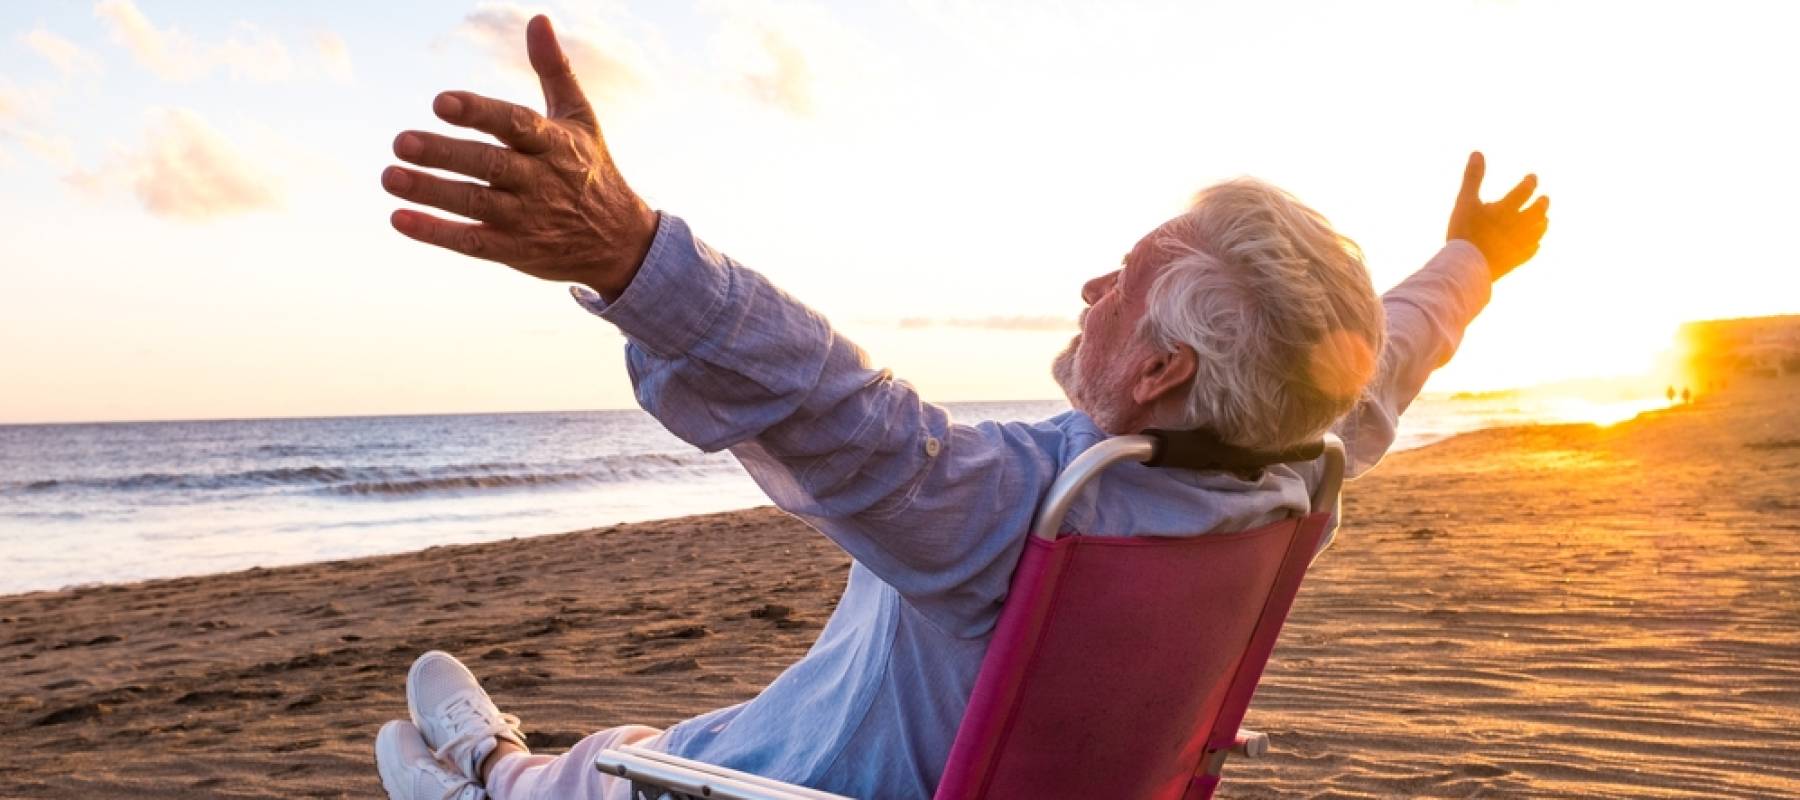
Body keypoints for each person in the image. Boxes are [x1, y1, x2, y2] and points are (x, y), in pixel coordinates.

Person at [371, 15, 1550, 800]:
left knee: (638, 766)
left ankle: (485, 772)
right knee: (680, 735)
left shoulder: (1034, 515)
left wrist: (632, 255)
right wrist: (1472, 258)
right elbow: (1390, 348)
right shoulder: (1298, 455)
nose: (1093, 287)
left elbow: (838, 410)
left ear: (1159, 375)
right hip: (948, 755)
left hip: (796, 783)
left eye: (1127, 277)